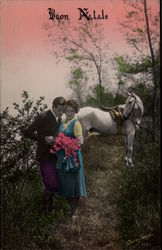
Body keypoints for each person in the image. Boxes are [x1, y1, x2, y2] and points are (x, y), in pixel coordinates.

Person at [22, 96, 66, 213]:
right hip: (44, 155)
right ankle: (45, 210)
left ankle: (47, 210)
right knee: (52, 184)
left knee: (55, 184)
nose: (61, 113)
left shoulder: (60, 119)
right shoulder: (43, 116)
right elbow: (27, 131)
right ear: (53, 107)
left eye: (63, 111)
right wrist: (44, 138)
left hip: (56, 155)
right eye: (59, 110)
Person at [56, 100, 87, 217]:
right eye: (67, 111)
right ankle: (71, 208)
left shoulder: (76, 123)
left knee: (75, 183)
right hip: (62, 157)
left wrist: (67, 144)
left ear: (75, 111)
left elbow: (80, 142)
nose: (69, 113)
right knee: (65, 184)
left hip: (73, 156)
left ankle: (74, 212)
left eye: (72, 111)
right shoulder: (63, 121)